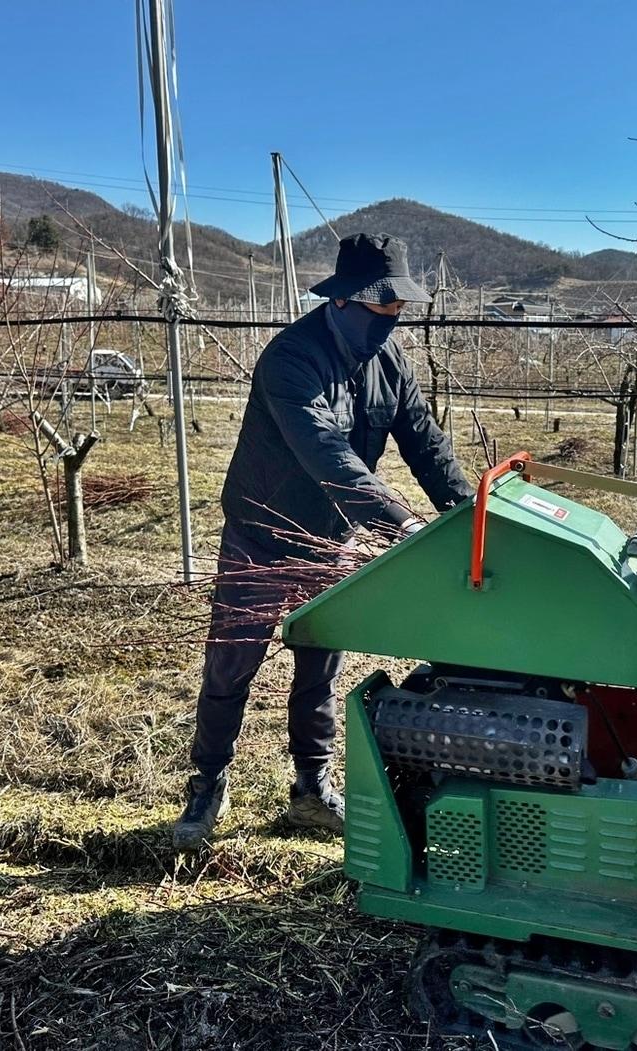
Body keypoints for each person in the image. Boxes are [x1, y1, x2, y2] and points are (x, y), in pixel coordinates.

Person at [173, 233, 472, 851]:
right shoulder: (291, 360)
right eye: (378, 311)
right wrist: (406, 528)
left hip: (329, 540)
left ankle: (311, 788)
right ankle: (207, 785)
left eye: (397, 313)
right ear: (342, 301)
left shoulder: (391, 363)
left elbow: (426, 443)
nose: (388, 324)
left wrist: (469, 517)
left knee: (321, 667)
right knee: (233, 666)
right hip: (263, 534)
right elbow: (330, 457)